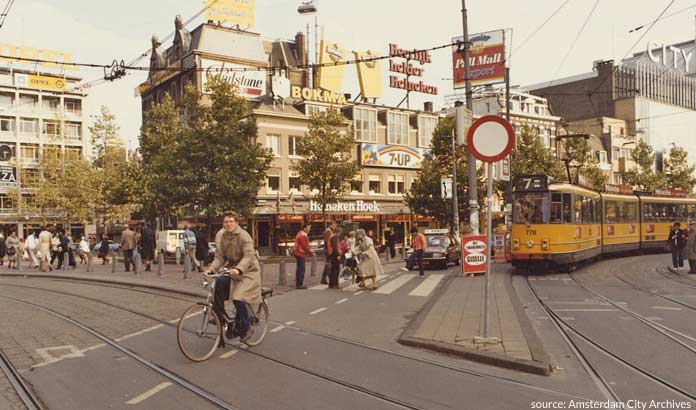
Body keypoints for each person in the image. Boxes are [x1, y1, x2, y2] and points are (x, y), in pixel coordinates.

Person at [207, 211, 261, 342]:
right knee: (217, 285)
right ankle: (221, 317)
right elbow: (220, 257)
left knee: (238, 297)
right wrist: (211, 269)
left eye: (231, 221)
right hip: (232, 271)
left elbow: (249, 255)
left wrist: (239, 268)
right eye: (226, 222)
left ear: (236, 223)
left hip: (248, 272)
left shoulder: (244, 236)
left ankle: (246, 327)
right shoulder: (223, 236)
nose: (228, 224)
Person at [293, 222, 314, 289]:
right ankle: (299, 284)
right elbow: (305, 246)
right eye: (308, 228)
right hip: (300, 253)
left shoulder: (300, 233)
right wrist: (311, 253)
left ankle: (298, 283)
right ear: (304, 228)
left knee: (299, 268)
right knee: (301, 269)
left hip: (297, 252)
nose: (309, 229)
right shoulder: (303, 235)